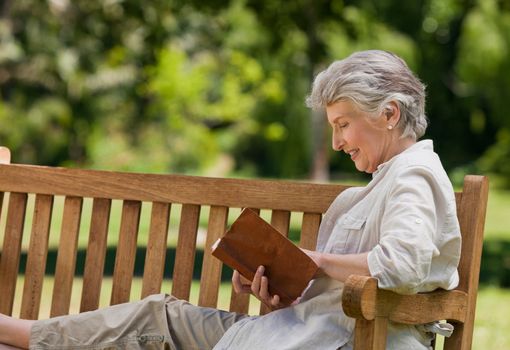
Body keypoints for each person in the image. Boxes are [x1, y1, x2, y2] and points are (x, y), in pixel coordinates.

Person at [0, 50, 461, 350]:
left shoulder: (414, 176)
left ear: (389, 114)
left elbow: (402, 265)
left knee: (159, 320)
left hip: (342, 341)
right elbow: (342, 285)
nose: (338, 142)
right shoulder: (375, 187)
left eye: (343, 124)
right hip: (302, 333)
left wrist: (313, 260)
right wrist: (282, 287)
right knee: (160, 313)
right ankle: (13, 332)